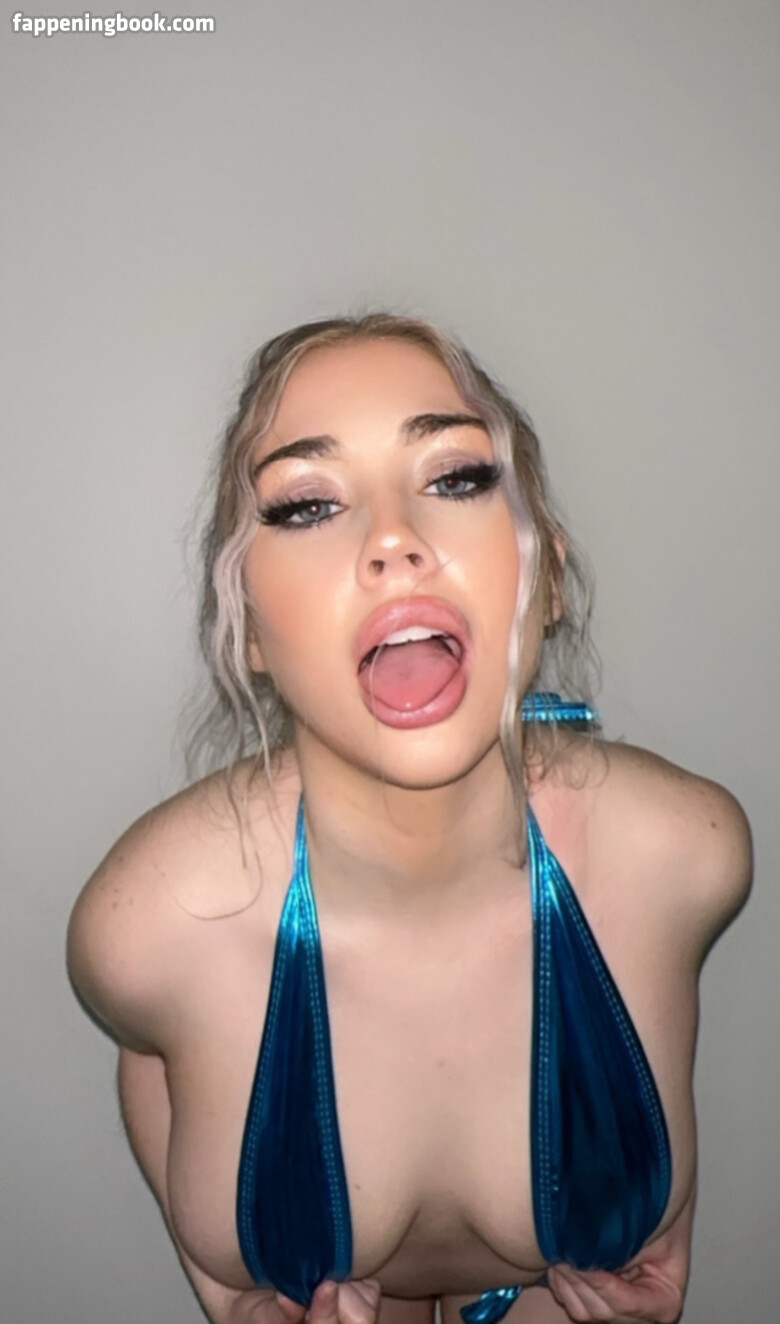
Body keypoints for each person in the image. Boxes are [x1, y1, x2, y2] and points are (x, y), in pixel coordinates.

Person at [67, 313, 752, 1324]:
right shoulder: (149, 924)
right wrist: (227, 1293)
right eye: (306, 503)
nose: (392, 538)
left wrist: (666, 1232)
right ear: (247, 628)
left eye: (456, 477)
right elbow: (150, 1049)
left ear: (548, 575)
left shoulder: (684, 855)